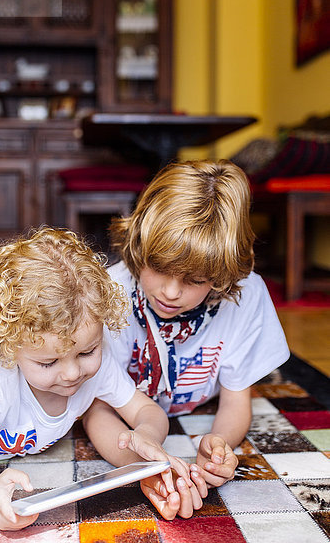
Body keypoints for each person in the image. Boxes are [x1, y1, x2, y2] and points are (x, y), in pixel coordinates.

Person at [0, 227, 201, 531]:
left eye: (87, 352)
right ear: (9, 349)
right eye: (49, 362)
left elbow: (146, 410)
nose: (73, 373)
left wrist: (147, 435)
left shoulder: (94, 363)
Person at [82, 159, 290, 518]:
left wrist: (220, 446)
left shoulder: (247, 295)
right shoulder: (106, 293)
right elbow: (95, 410)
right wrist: (141, 467)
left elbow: (236, 400)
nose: (171, 292)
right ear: (139, 243)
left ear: (224, 275)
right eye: (159, 268)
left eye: (194, 280)